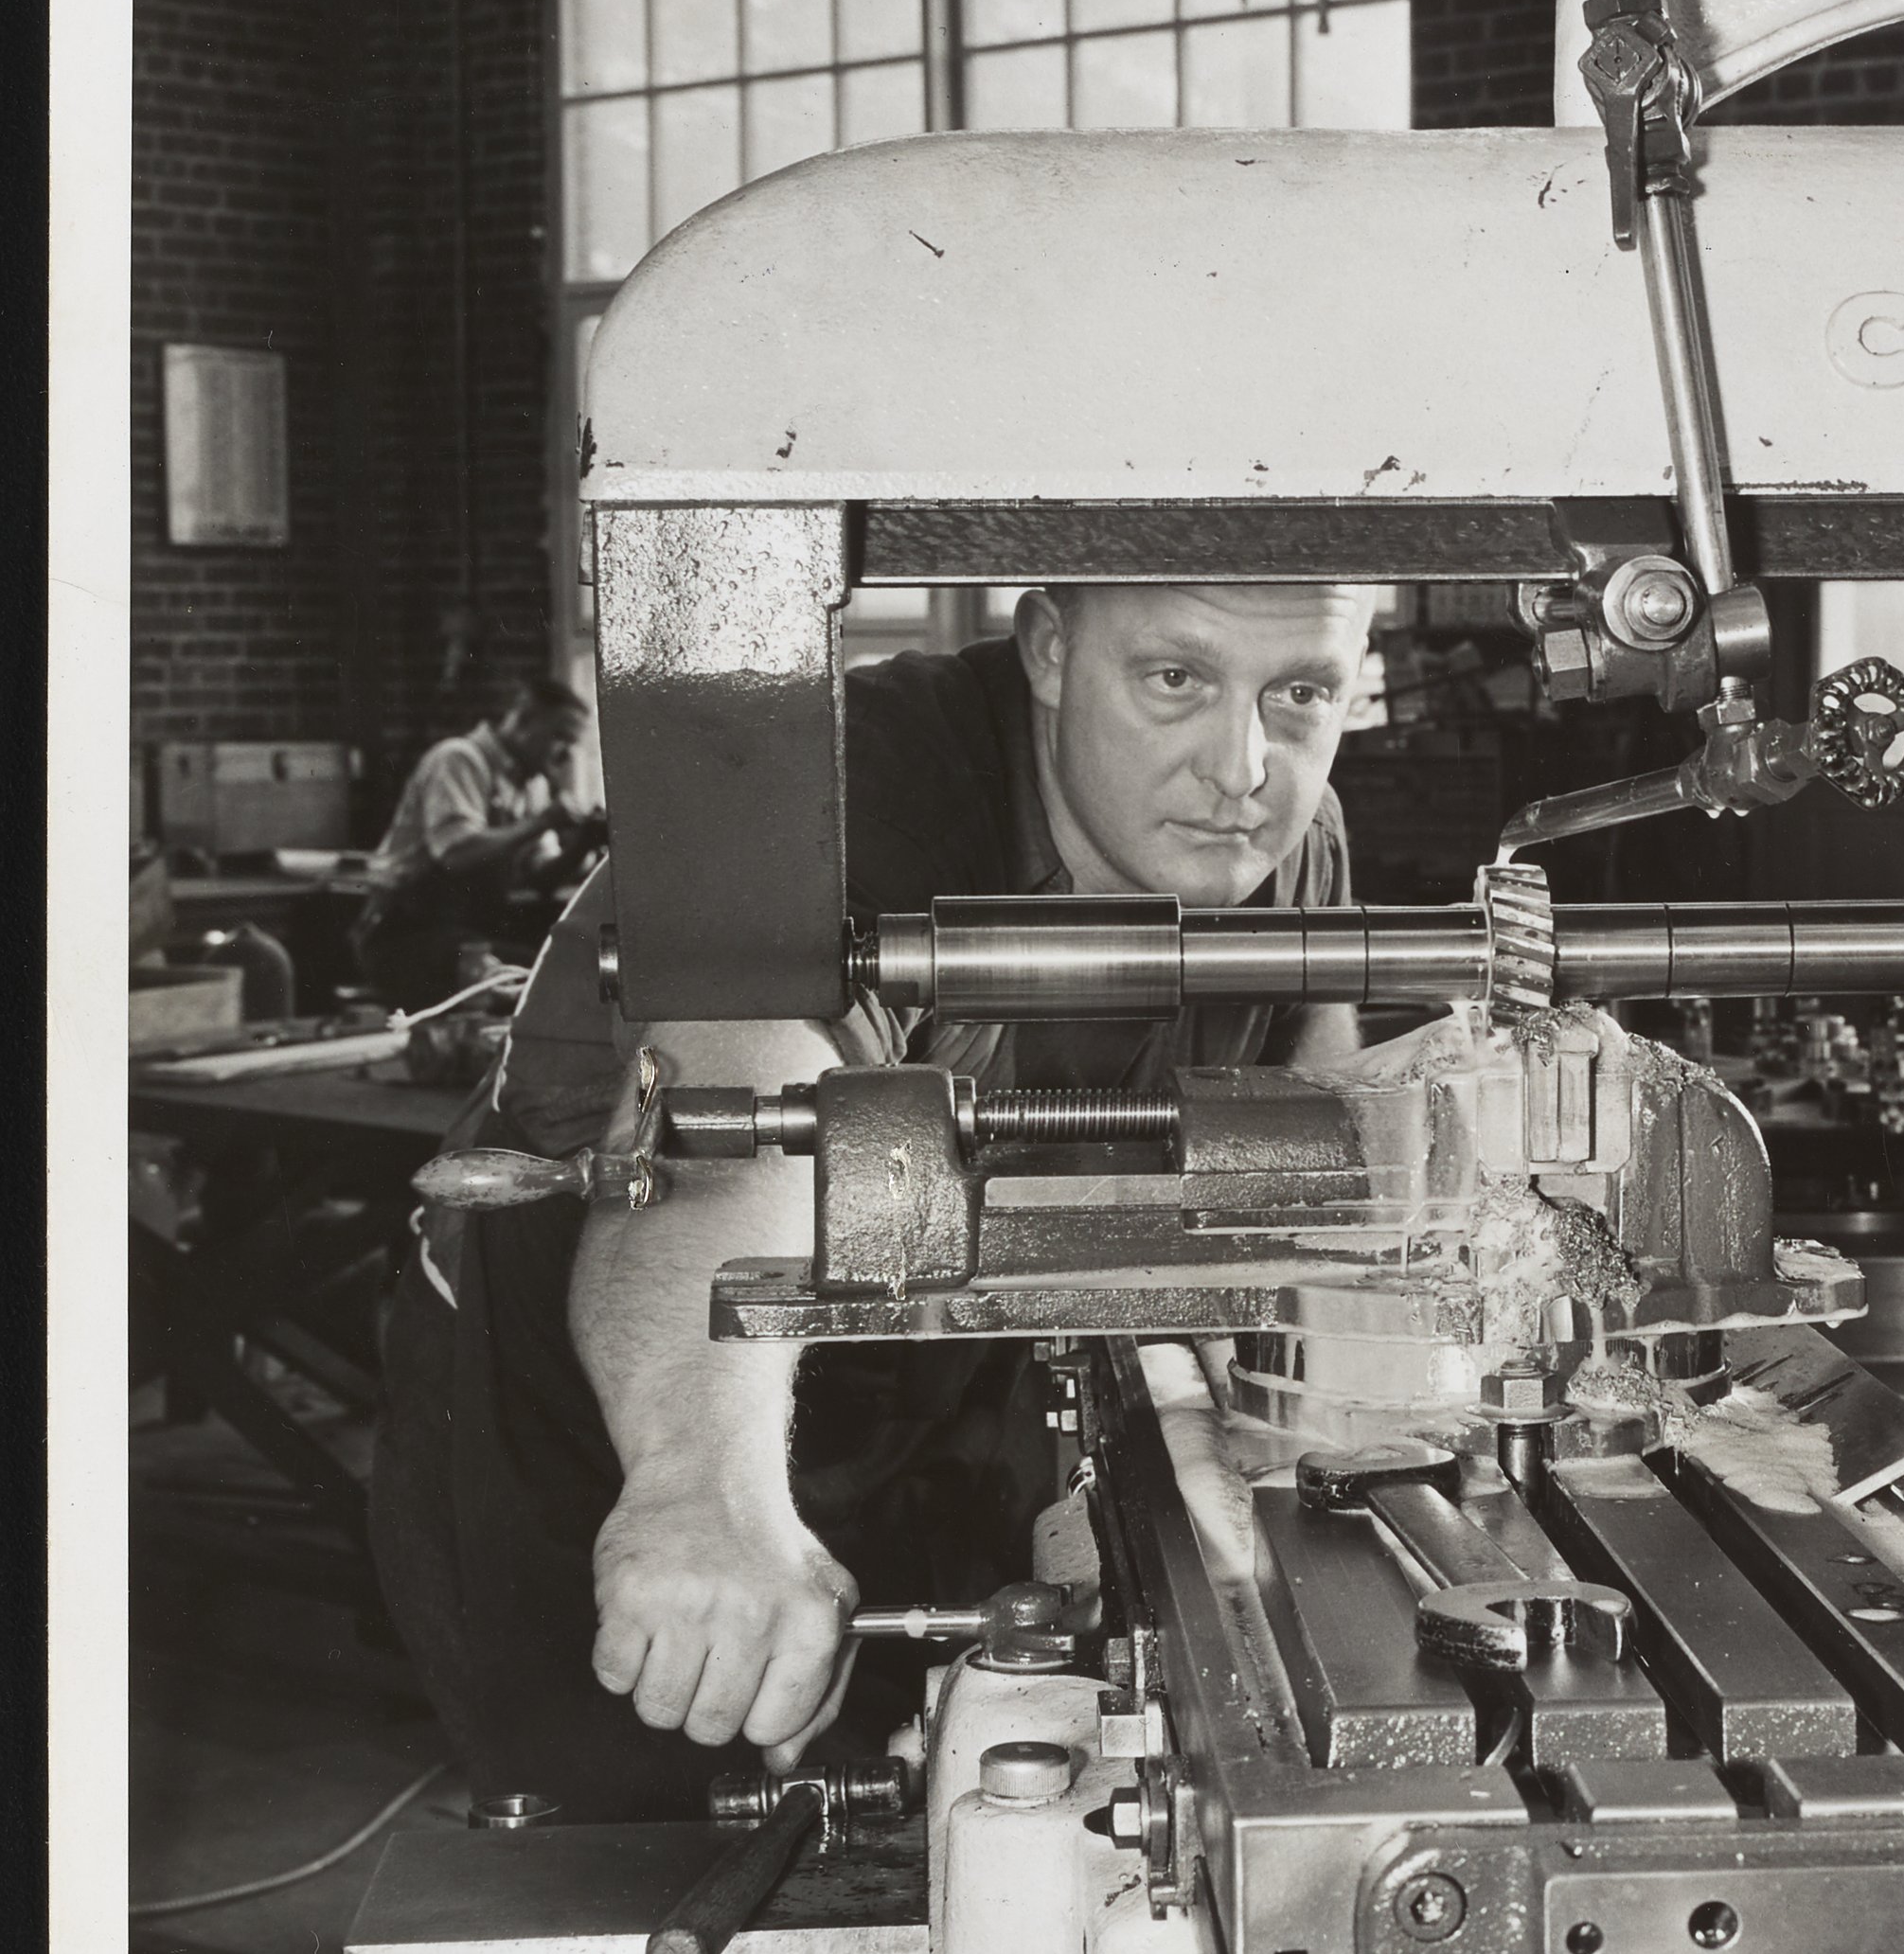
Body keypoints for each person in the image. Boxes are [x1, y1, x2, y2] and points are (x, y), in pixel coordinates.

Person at [368, 580, 1379, 1818]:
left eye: (1302, 691)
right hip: (630, 1398)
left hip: (907, 1383)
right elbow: (730, 1121)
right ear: (1049, 649)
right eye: (1177, 679)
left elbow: (1310, 1155)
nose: (1243, 769)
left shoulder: (1294, 845)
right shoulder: (845, 788)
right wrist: (703, 1490)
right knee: (637, 1844)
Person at [354, 678, 605, 1010]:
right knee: (540, 986)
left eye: (572, 743)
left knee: (571, 972)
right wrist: (541, 823)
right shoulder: (459, 759)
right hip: (406, 936)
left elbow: (539, 878)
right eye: (559, 736)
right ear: (524, 720)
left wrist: (584, 843)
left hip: (467, 933)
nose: (565, 754)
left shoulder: (533, 786)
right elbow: (455, 854)